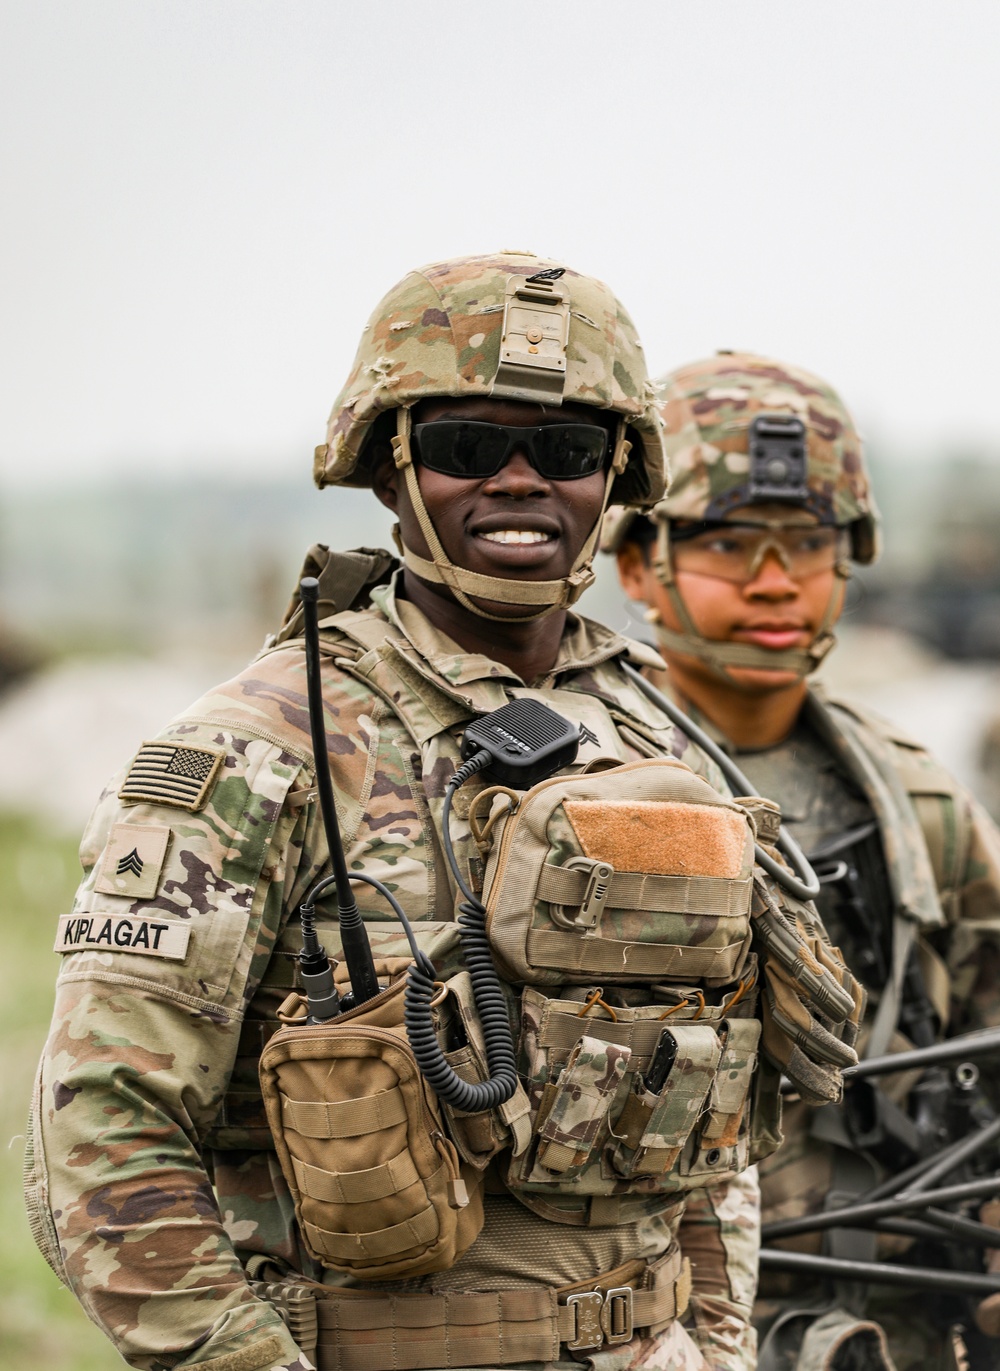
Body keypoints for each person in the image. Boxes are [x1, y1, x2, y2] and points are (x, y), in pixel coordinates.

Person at [25, 260, 859, 1371]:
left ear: (613, 475)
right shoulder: (259, 751)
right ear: (391, 466)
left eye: (564, 451)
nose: (520, 483)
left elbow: (711, 1129)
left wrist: (709, 1340)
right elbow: (100, 1129)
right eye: (469, 447)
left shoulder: (653, 744)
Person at [603, 350, 1000, 1371]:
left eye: (808, 543)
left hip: (898, 1326)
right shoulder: (580, 796)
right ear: (638, 563)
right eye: (731, 544)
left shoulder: (916, 805)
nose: (776, 581)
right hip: (654, 1334)